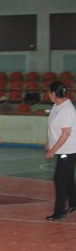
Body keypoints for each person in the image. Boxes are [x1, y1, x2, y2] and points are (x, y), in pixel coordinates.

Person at [44, 81, 76, 220]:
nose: (48, 95)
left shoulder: (66, 109)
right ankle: (74, 202)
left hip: (67, 151)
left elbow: (66, 133)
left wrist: (52, 151)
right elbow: (54, 128)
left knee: (59, 179)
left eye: (49, 92)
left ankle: (60, 211)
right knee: (68, 178)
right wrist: (49, 142)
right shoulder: (57, 105)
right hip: (64, 150)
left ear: (53, 93)